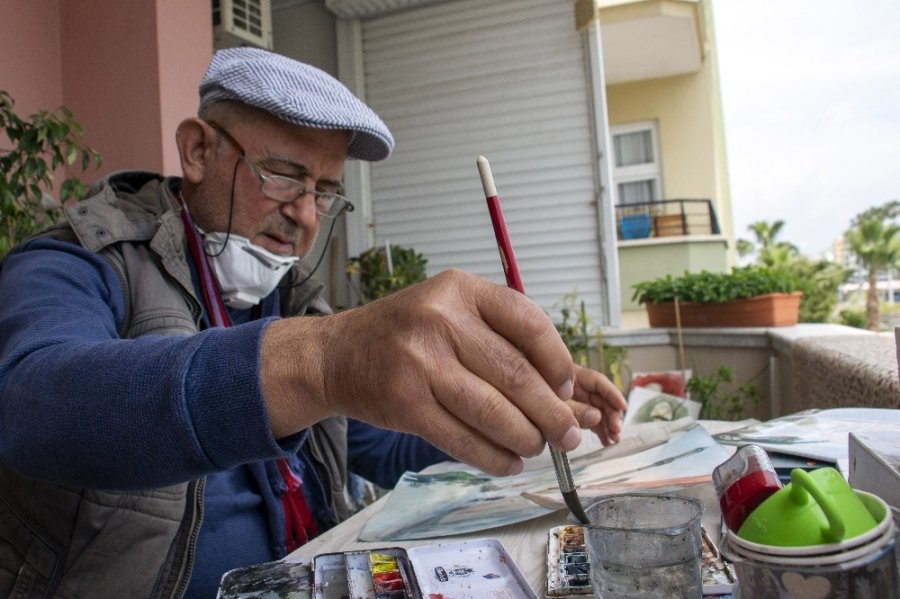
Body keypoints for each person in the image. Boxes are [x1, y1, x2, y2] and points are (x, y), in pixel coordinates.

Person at [0, 48, 626, 597]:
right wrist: (323, 362)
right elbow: (34, 407)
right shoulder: (75, 260)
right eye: (284, 176)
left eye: (324, 190)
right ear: (196, 151)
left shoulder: (293, 295)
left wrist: (502, 408)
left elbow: (372, 443)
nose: (304, 214)